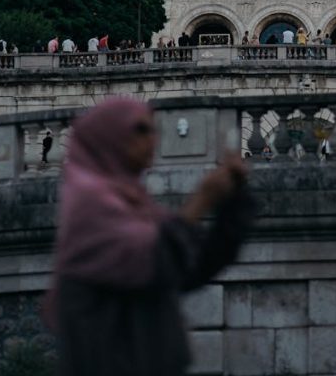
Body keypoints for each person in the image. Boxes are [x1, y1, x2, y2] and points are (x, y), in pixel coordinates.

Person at [46, 98, 251, 376]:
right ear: (108, 137)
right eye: (141, 130)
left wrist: (234, 202)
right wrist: (202, 200)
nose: (153, 139)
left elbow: (193, 267)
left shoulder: (132, 202)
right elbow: (156, 260)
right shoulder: (89, 202)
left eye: (153, 130)